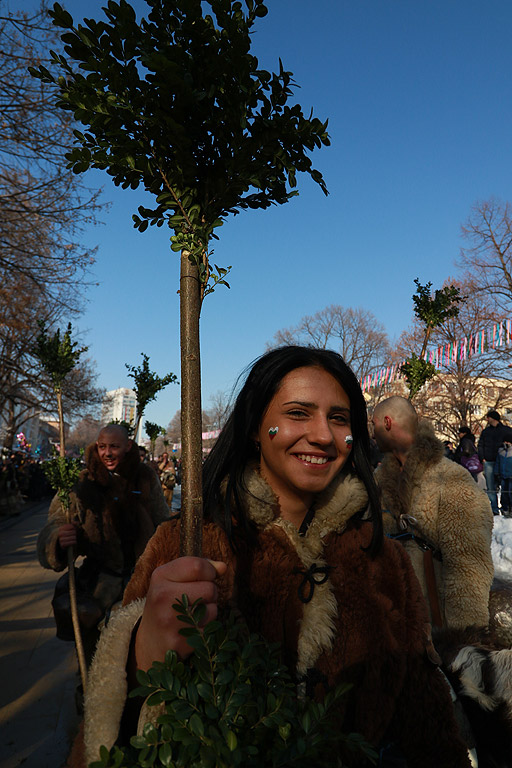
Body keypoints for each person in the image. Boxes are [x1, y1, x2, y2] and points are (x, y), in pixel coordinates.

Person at [69, 348, 471, 768]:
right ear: (255, 429)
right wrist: (140, 654)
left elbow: (428, 719)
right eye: (299, 413)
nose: (322, 435)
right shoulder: (186, 543)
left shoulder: (384, 559)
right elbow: (102, 738)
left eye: (339, 418)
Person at [37, 424, 170, 665]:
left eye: (114, 446)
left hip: (141, 587)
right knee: (92, 664)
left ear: (128, 447)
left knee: (136, 663)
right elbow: (54, 523)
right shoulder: (81, 482)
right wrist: (58, 537)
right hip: (98, 589)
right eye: (102, 446)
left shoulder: (145, 477)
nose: (107, 453)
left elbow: (163, 523)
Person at [372, 396, 493, 631]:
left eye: (373, 424)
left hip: (434, 628)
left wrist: (461, 639)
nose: (372, 433)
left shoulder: (451, 478)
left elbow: (469, 567)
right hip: (390, 622)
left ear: (387, 422)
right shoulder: (379, 480)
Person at [477, 409, 512, 515]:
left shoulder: (506, 430)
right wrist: (482, 458)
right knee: (491, 487)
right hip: (489, 461)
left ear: (493, 418)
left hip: (503, 461)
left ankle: (506, 506)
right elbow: (480, 445)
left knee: (506, 485)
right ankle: (494, 509)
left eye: (488, 417)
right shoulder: (485, 432)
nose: (487, 419)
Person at [495, 439, 512, 516]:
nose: (506, 443)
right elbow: (498, 463)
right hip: (503, 475)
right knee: (504, 492)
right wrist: (497, 472)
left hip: (511, 476)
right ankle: (505, 507)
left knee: (510, 492)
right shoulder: (501, 452)